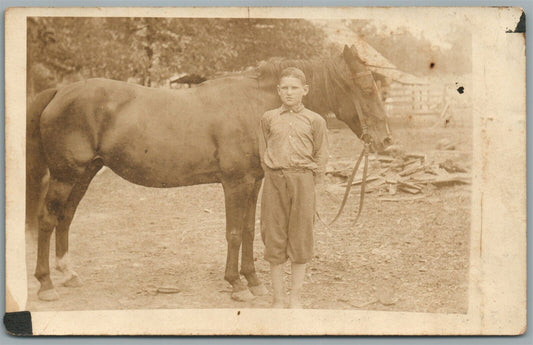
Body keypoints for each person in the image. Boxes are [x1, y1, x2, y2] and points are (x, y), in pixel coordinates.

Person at [259, 67, 328, 308]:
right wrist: (273, 174)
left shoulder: (315, 120)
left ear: (305, 90)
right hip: (274, 181)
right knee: (274, 237)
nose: (289, 93)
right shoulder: (268, 118)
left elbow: (321, 156)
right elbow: (263, 150)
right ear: (278, 91)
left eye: (294, 88)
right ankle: (278, 299)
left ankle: (295, 297)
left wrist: (311, 185)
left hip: (303, 181)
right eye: (285, 88)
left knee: (301, 238)